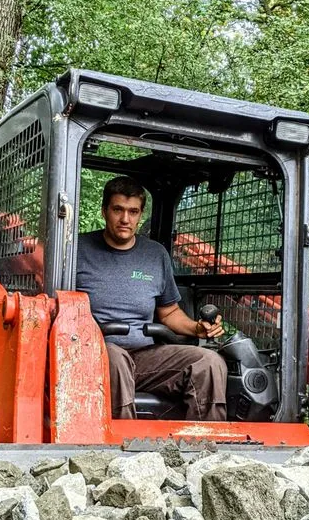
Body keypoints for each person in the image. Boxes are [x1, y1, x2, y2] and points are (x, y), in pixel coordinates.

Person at [76, 175, 228, 420]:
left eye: (133, 212)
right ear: (104, 211)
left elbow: (168, 312)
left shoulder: (155, 254)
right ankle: (121, 449)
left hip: (146, 355)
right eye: (118, 210)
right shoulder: (77, 250)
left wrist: (197, 328)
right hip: (95, 353)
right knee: (114, 357)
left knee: (208, 361)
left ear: (140, 214)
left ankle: (206, 447)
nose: (125, 219)